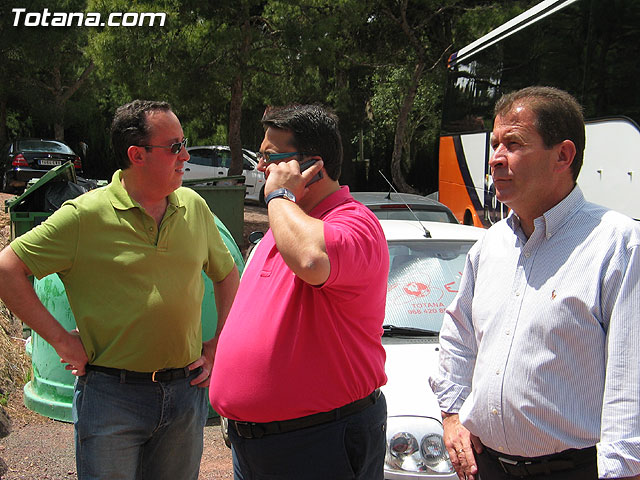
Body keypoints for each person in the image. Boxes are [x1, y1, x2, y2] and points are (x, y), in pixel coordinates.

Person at [0, 100, 240, 480]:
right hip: (111, 398)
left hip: (184, 395)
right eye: (175, 146)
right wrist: (62, 341)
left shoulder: (194, 208)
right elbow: (7, 269)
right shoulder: (84, 216)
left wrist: (218, 344)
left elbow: (227, 275)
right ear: (136, 155)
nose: (186, 155)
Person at [429, 86, 640, 480]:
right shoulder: (489, 245)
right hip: (484, 467)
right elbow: (458, 338)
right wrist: (452, 415)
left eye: (513, 143)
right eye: (494, 144)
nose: (495, 159)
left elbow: (631, 381)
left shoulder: (617, 244)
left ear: (563, 155)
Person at [209, 104, 389, 480]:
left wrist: (278, 197)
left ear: (313, 167)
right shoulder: (287, 223)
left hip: (317, 441)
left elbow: (311, 259)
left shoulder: (354, 222)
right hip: (261, 444)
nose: (260, 167)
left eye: (271, 157)